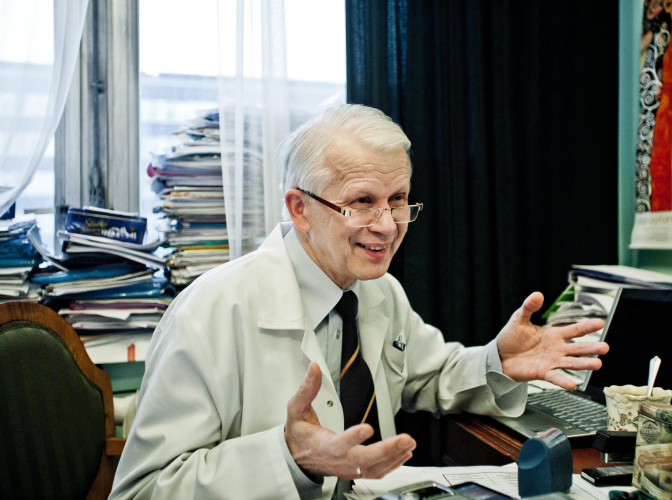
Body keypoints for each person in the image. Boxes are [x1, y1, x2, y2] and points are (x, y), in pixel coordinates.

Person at [109, 104, 607, 500]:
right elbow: (143, 491)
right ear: (299, 209)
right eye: (362, 202)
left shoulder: (378, 291)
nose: (388, 226)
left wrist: (499, 360)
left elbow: (428, 374)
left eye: (398, 199)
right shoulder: (210, 313)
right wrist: (287, 457)